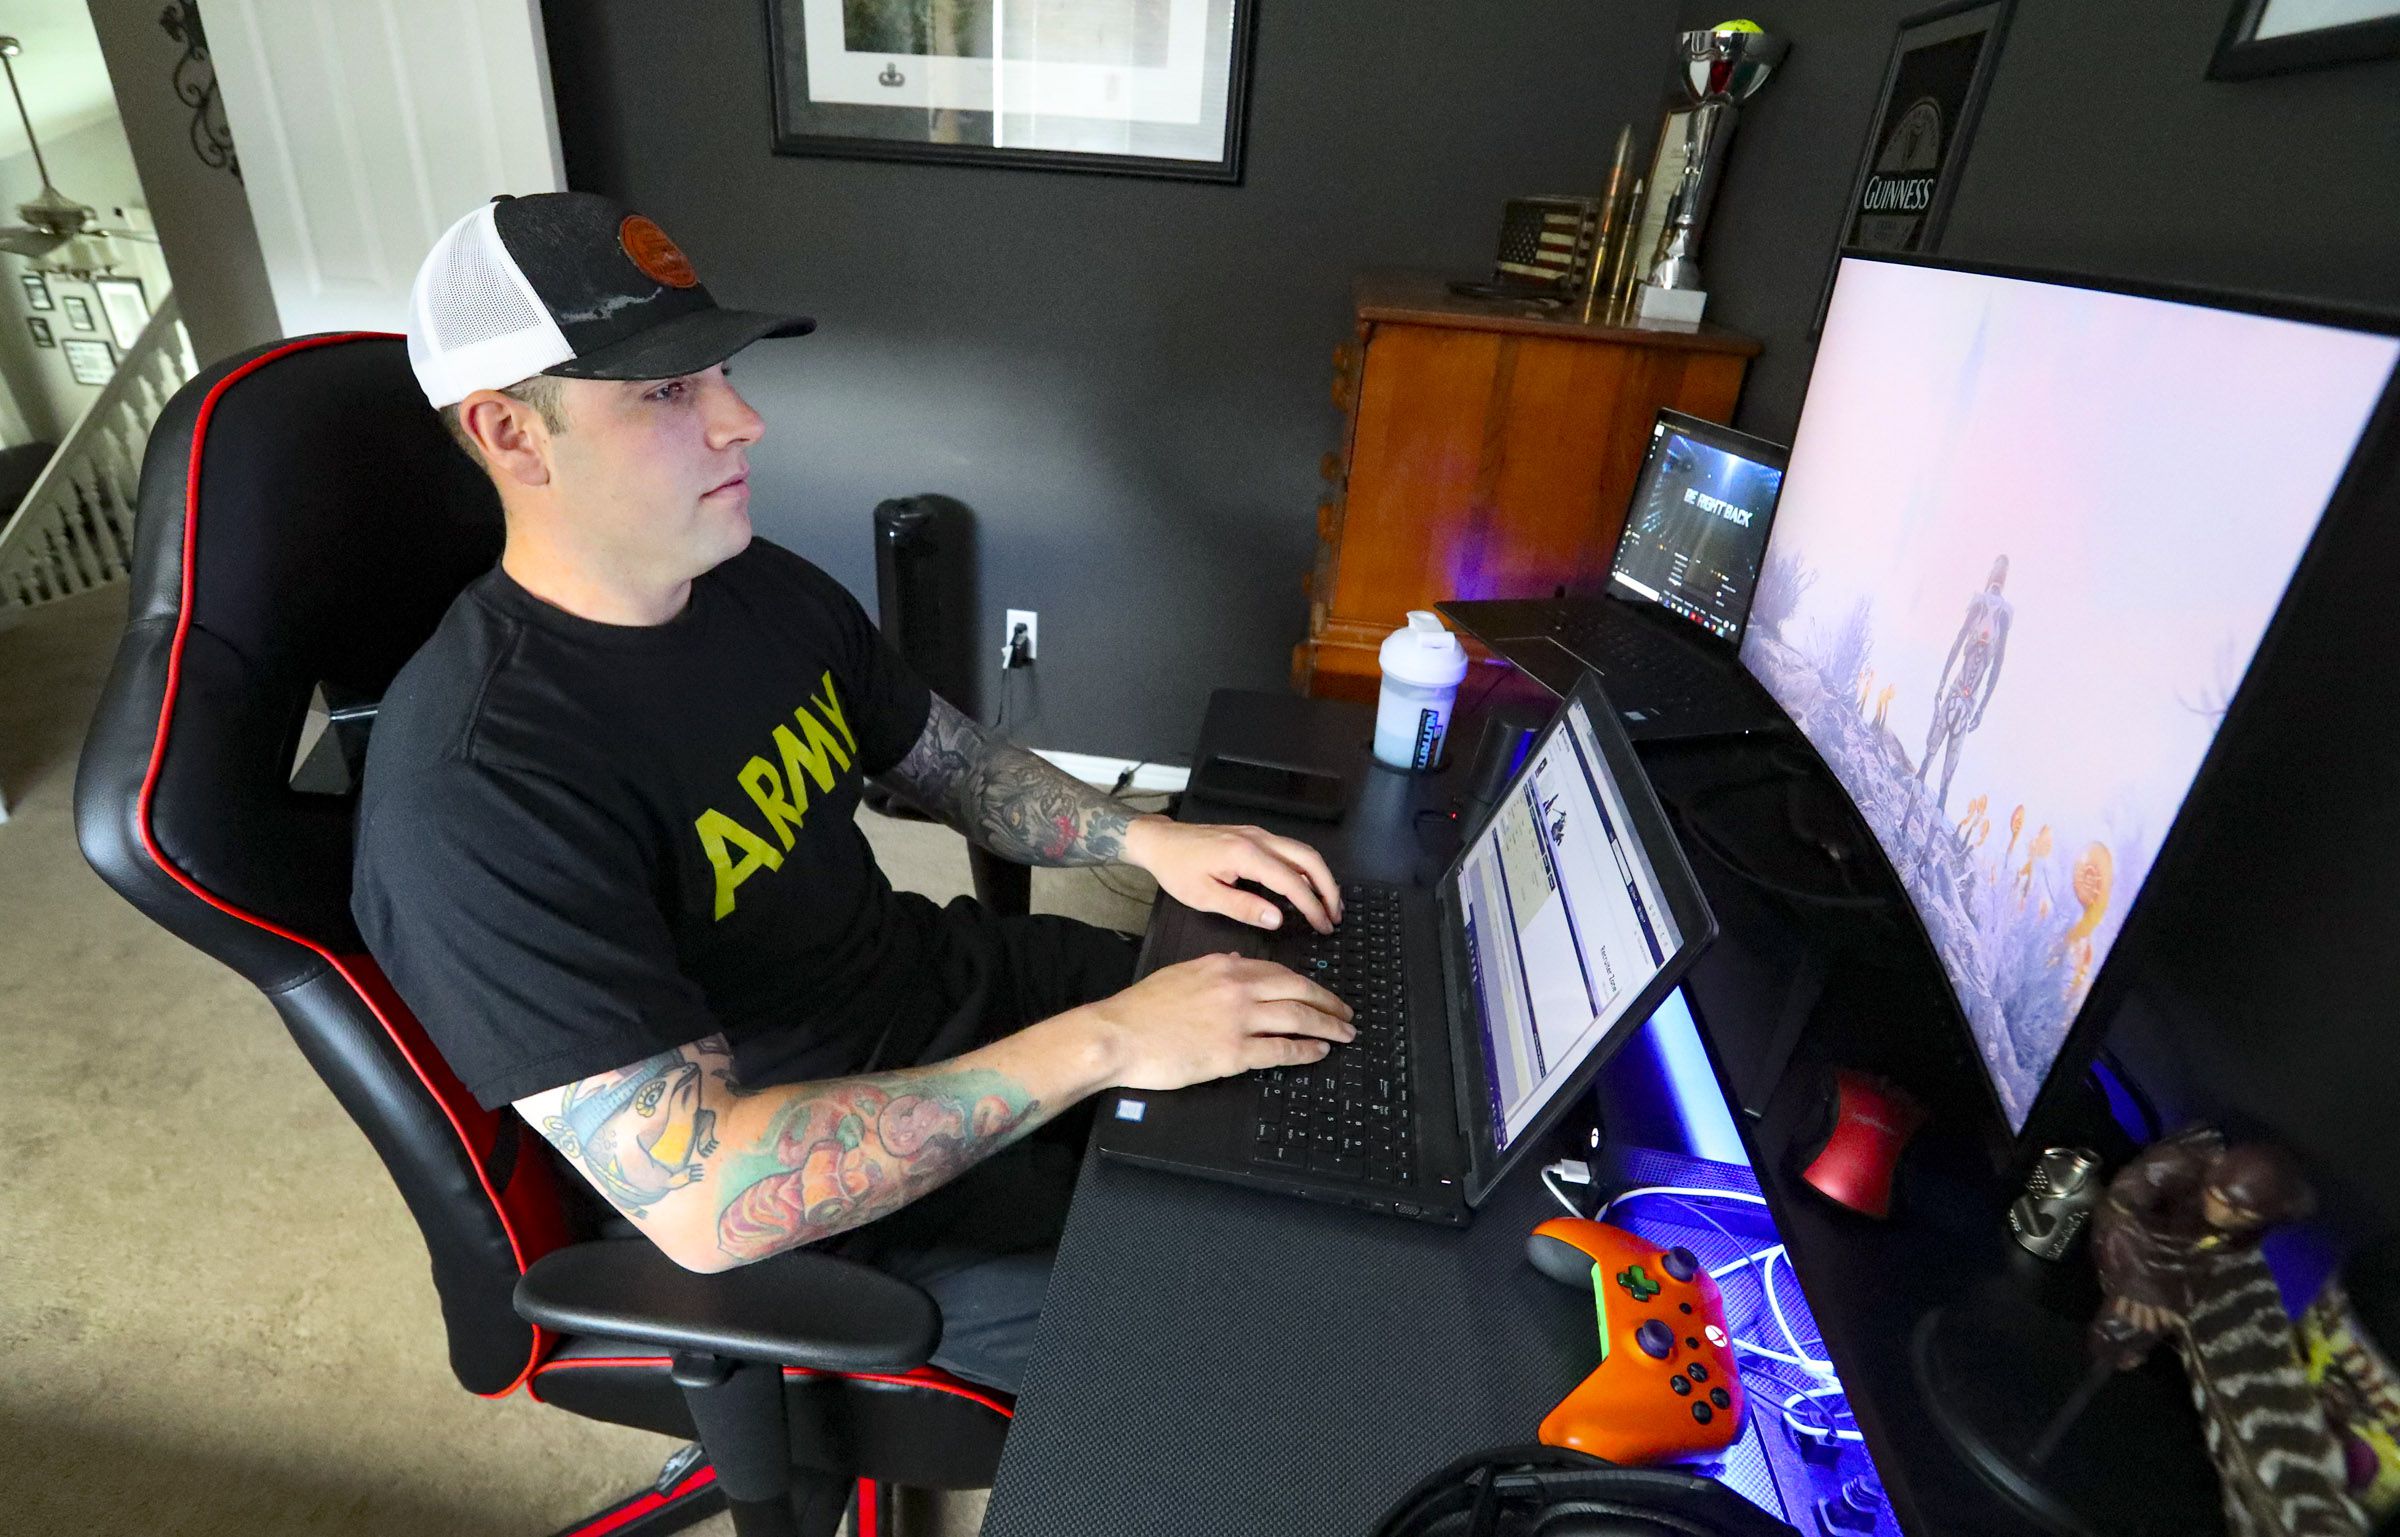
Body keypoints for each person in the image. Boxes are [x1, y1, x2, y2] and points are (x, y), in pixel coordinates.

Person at [351, 193, 1355, 1392]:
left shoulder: (744, 580)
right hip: (831, 1215)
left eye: (719, 371)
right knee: (1284, 1353)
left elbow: (946, 760)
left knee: (1331, 1055)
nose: (745, 420)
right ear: (512, 434)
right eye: (669, 393)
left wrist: (1148, 839)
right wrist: (1107, 1045)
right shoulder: (476, 786)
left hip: (947, 993)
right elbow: (708, 1199)